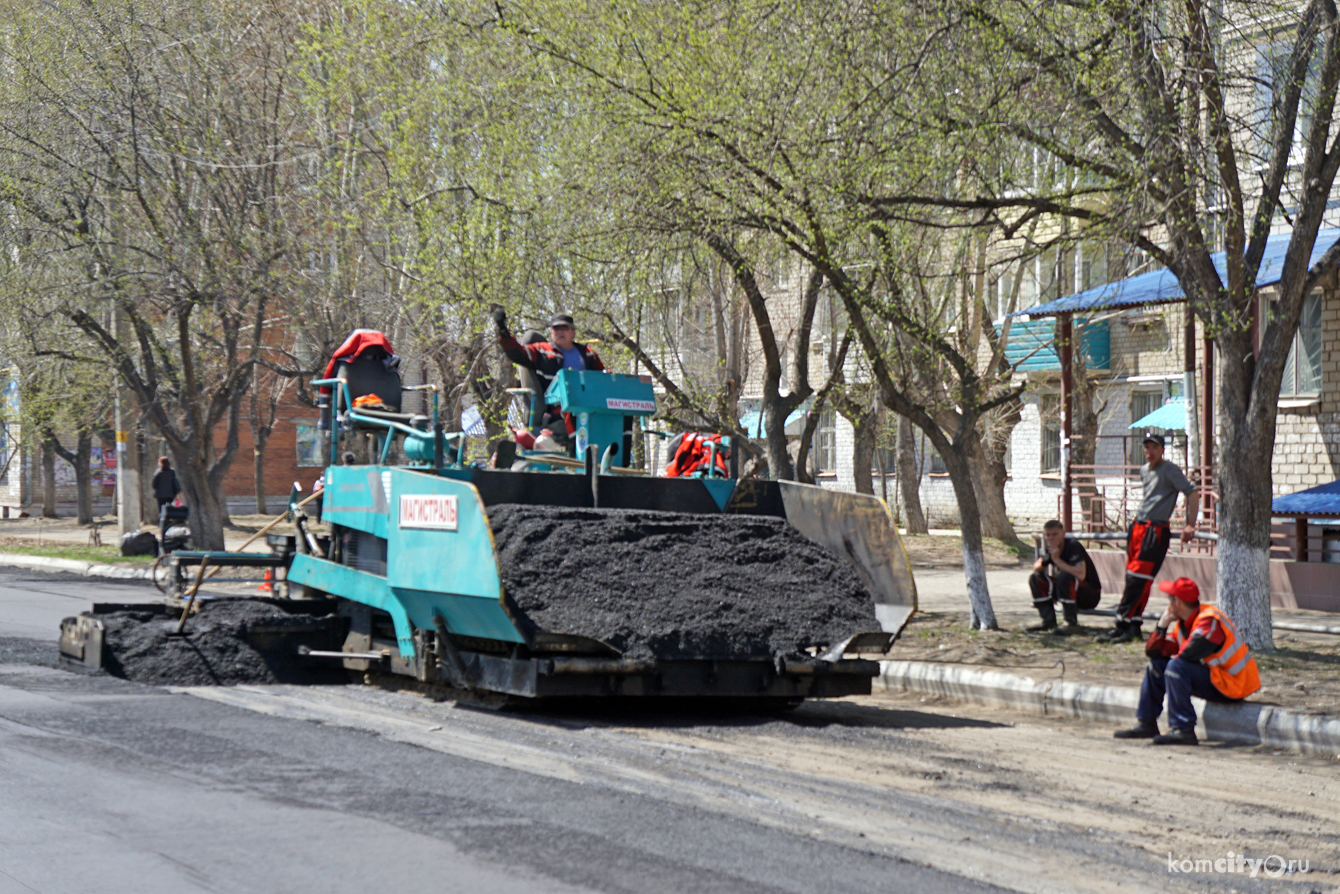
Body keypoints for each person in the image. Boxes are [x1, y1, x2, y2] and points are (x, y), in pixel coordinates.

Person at [1113, 577, 1260, 745]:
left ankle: (1183, 730)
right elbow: (1154, 652)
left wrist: (1172, 655)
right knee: (1157, 666)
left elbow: (1189, 653)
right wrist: (1162, 625)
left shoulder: (1209, 619)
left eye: (1169, 599)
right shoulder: (1182, 625)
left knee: (1176, 667)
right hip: (1216, 679)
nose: (1167, 603)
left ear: (1176, 602)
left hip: (1233, 685)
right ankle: (1146, 723)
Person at [1096, 433, 1199, 644]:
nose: (1149, 451)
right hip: (1138, 529)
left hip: (1155, 531)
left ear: (1162, 449)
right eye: (1146, 447)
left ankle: (1120, 624)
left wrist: (1190, 524)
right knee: (1134, 578)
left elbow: (1191, 492)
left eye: (1154, 447)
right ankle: (1133, 625)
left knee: (1137, 578)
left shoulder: (1169, 469)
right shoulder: (1144, 471)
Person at [491, 308, 605, 436]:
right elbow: (517, 353)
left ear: (573, 332)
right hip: (557, 413)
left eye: (565, 328)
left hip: (587, 408)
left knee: (613, 420)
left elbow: (603, 379)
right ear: (551, 332)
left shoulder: (588, 353)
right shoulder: (541, 351)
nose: (560, 332)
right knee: (577, 424)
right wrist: (503, 330)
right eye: (556, 328)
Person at [1026, 519, 1101, 633]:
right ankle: (1048, 621)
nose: (1051, 538)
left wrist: (1056, 559)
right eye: (1048, 535)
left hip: (1089, 595)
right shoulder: (1051, 548)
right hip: (1066, 591)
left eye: (1055, 534)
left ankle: (1070, 623)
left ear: (1063, 534)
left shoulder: (1072, 546)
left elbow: (1081, 574)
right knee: (1035, 578)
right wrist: (1046, 560)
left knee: (1064, 576)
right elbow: (1036, 568)